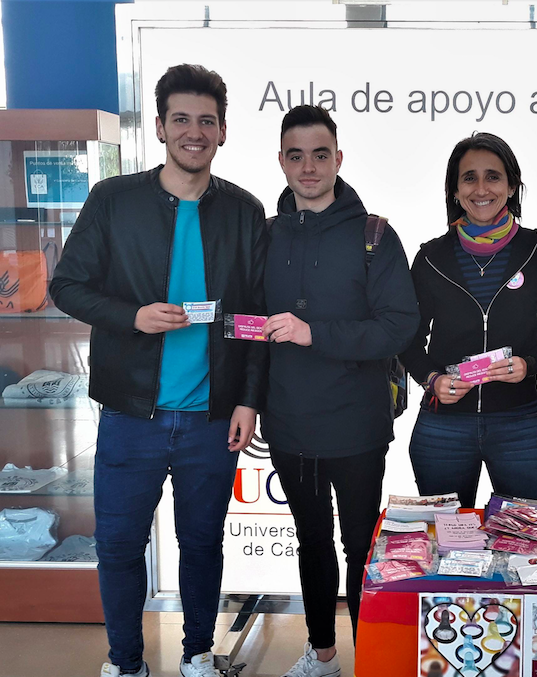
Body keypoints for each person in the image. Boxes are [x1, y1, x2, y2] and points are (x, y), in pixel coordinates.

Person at [49, 65, 267, 677]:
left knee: (201, 548)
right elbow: (67, 286)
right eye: (181, 120)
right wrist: (132, 316)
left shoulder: (244, 211)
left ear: (223, 130)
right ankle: (126, 663)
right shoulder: (114, 201)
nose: (193, 132)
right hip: (130, 416)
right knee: (118, 548)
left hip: (212, 417)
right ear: (161, 127)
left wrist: (248, 400)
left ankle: (198, 653)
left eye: (206, 120)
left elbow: (253, 317)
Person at [260, 105, 419, 677]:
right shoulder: (266, 235)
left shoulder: (373, 233)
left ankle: (370, 658)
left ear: (339, 159)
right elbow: (253, 331)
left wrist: (313, 333)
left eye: (320, 154)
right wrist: (249, 401)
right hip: (289, 422)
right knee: (312, 543)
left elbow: (399, 325)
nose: (308, 167)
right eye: (296, 155)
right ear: (281, 161)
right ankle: (323, 654)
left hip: (357, 422)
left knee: (359, 545)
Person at [400, 132, 537, 509]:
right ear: (454, 190)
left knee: (529, 547)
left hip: (520, 423)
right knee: (445, 547)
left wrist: (529, 365)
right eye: (469, 177)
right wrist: (433, 380)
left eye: (493, 176)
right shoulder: (430, 257)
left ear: (512, 186)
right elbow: (408, 341)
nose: (482, 188)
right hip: (442, 426)